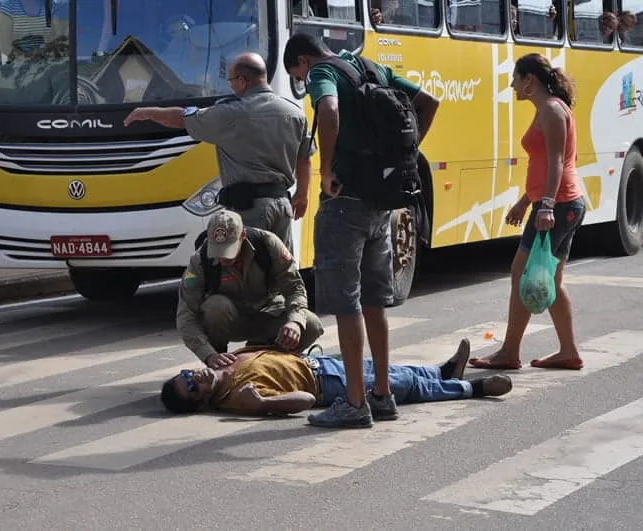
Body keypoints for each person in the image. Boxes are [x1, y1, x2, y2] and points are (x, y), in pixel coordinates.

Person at [281, 33, 440, 428]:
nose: (303, 82)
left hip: (345, 203)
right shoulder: (371, 67)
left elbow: (329, 109)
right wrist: (405, 156)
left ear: (303, 61)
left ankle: (354, 403)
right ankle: (382, 395)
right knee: (374, 302)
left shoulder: (322, 72)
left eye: (297, 76)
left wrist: (327, 170)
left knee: (346, 303)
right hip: (380, 203)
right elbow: (429, 102)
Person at [123, 52, 314, 253]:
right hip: (282, 207)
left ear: (242, 81)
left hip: (249, 208)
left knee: (245, 268)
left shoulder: (231, 113)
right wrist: (302, 194)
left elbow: (182, 118)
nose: (231, 86)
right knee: (282, 267)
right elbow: (304, 159)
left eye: (231, 81)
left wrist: (149, 112)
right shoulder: (295, 113)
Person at [470, 53, 584, 371]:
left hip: (559, 205)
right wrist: (526, 201)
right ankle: (568, 351)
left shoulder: (551, 110)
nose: (512, 85)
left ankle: (509, 351)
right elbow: (545, 163)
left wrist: (545, 206)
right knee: (551, 280)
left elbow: (558, 162)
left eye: (515, 78)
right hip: (560, 203)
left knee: (521, 273)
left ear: (529, 80)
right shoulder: (546, 109)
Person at [160, 339, 513, 417]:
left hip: (320, 363)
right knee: (401, 387)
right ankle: (471, 388)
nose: (194, 375)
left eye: (186, 374)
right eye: (191, 385)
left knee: (388, 370)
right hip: (324, 385)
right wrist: (265, 403)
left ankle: (442, 371)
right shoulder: (237, 397)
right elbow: (306, 401)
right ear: (200, 402)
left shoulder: (223, 362)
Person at [176, 209, 324, 369]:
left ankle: (267, 362)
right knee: (215, 307)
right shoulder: (199, 261)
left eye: (229, 250)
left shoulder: (267, 243)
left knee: (310, 324)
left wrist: (294, 322)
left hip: (269, 312)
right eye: (218, 251)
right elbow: (186, 316)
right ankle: (220, 367)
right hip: (232, 320)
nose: (223, 258)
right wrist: (209, 355)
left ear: (243, 236)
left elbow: (294, 287)